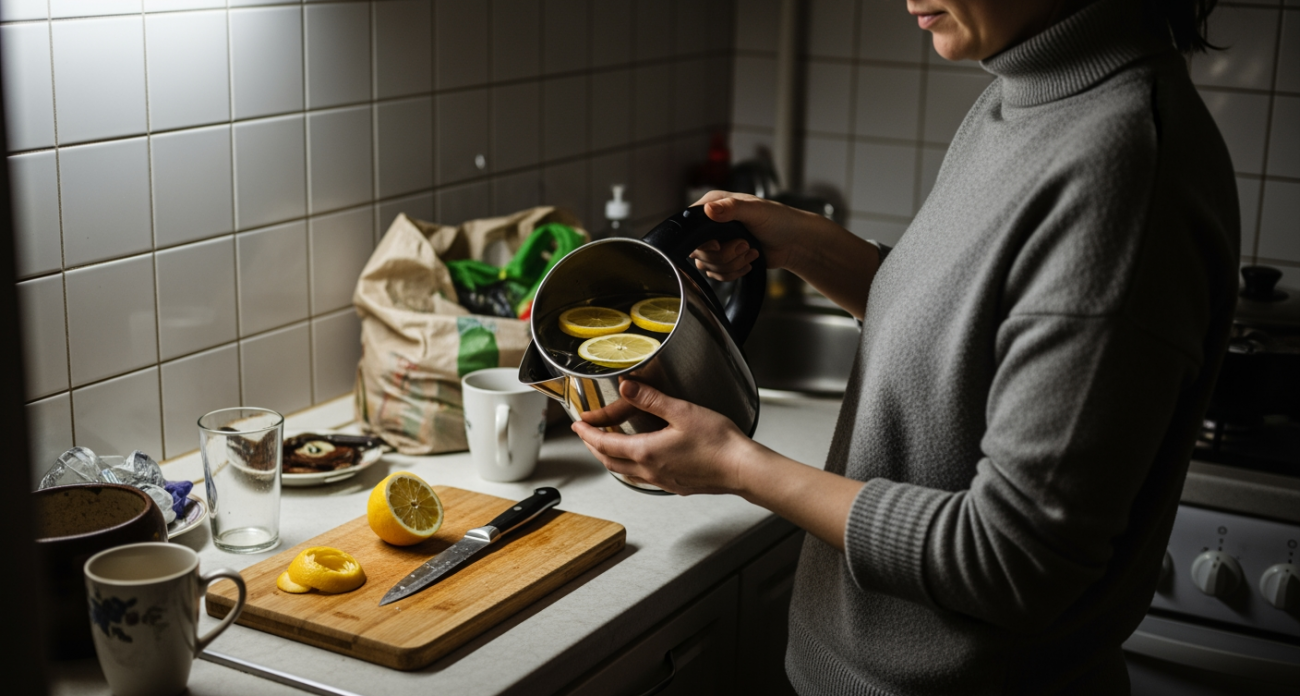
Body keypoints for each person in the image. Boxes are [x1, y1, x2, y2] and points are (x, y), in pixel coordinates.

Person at [573, 0, 1239, 693]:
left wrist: (739, 467)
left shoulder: (1125, 167)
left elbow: (1008, 562)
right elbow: (969, 325)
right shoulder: (1019, 97)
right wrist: (803, 244)